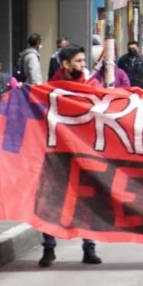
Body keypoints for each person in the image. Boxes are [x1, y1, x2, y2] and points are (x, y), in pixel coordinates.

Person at [42, 44, 102, 267]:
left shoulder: (93, 86)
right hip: (56, 155)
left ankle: (89, 248)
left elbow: (110, 106)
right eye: (78, 61)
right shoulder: (50, 90)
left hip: (85, 154)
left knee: (86, 202)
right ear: (66, 65)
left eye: (84, 62)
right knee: (49, 202)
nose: (83, 66)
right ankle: (48, 249)